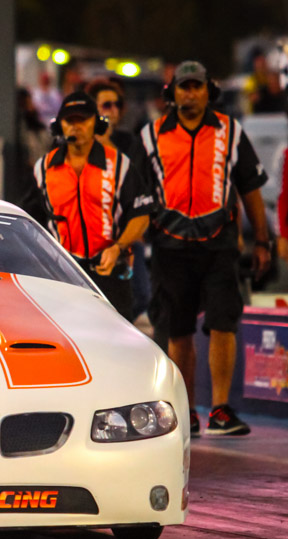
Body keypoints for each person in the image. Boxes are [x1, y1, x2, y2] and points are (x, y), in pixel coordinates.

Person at [138, 61, 273, 437]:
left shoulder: (231, 132)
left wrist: (263, 241)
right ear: (172, 93)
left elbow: (251, 188)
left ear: (208, 91)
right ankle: (186, 412)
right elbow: (138, 194)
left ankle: (221, 410)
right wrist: (135, 237)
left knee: (222, 324)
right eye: (184, 87)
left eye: (197, 86)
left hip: (220, 244)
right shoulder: (150, 135)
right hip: (169, 246)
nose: (190, 93)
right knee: (177, 330)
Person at [21, 92, 153, 322]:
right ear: (59, 125)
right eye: (70, 120)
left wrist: (118, 248)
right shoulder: (43, 168)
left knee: (112, 340)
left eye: (83, 119)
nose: (76, 126)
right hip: (60, 278)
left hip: (110, 273)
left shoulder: (119, 165)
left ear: (96, 123)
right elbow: (29, 221)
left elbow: (141, 215)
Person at [86, 78, 151, 321]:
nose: (112, 110)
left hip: (127, 235)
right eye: (106, 105)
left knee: (141, 295)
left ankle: (119, 329)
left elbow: (141, 184)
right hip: (91, 236)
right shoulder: (81, 143)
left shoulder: (128, 141)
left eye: (116, 105)